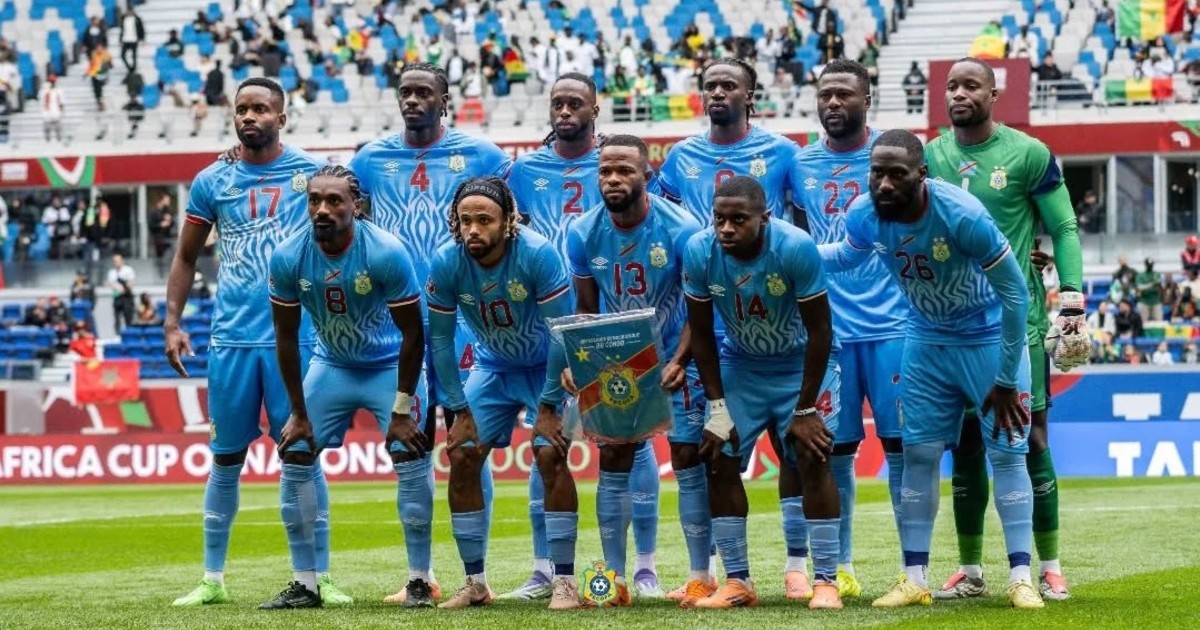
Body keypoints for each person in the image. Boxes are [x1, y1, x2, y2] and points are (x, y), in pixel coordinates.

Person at [821, 129, 1043, 610]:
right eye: (876, 173)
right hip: (924, 340)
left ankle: (1021, 578)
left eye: (896, 174)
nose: (883, 184)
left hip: (986, 341)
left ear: (921, 174)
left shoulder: (962, 215)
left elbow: (1015, 294)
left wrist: (1007, 378)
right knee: (917, 455)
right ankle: (914, 578)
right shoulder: (864, 213)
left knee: (1007, 454)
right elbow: (845, 257)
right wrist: (785, 248)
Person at [165, 78, 347, 607]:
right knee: (225, 458)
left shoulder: (312, 174)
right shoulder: (212, 180)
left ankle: (316, 576)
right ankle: (211, 579)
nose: (250, 117)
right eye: (242, 109)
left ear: (281, 118)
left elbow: (349, 221)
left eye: (261, 109)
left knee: (301, 454)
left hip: (298, 337)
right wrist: (172, 322)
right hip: (232, 339)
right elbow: (186, 256)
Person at [346, 62, 512, 606]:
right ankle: (420, 575)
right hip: (400, 327)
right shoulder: (370, 160)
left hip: (464, 324)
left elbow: (516, 216)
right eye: (405, 92)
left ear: (445, 100)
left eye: (423, 93)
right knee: (410, 449)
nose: (412, 100)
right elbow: (335, 201)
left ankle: (476, 576)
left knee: (468, 445)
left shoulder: (483, 155)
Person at [924, 58, 1087, 602]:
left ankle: (1050, 566)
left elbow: (1063, 225)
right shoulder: (931, 157)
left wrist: (1071, 300)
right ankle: (970, 570)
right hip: (952, 325)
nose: (959, 94)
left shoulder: (1029, 154)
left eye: (971, 85)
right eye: (952, 86)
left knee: (1031, 437)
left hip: (1018, 324)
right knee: (967, 445)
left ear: (994, 94)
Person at [502, 74, 665, 601]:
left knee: (634, 443)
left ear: (596, 108)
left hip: (614, 327)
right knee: (548, 441)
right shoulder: (522, 171)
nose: (565, 111)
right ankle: (545, 569)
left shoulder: (621, 160)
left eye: (576, 103)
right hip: (545, 331)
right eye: (558, 103)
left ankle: (644, 568)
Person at [655, 57, 812, 599]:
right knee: (700, 450)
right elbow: (671, 237)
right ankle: (706, 574)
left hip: (771, 323)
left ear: (751, 96)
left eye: (729, 85)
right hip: (706, 323)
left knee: (794, 451)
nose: (718, 93)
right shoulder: (680, 157)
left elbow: (802, 227)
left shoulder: (784, 152)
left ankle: (797, 566)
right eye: (710, 86)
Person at [264, 165, 426, 610]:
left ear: (356, 205)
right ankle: (305, 584)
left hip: (388, 367)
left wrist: (402, 409)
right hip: (331, 365)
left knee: (410, 453)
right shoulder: (288, 256)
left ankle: (419, 581)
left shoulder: (385, 252)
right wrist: (298, 413)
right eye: (314, 200)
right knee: (295, 451)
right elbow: (285, 338)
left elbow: (414, 334)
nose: (322, 209)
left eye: (334, 200)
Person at [682, 176, 842, 610]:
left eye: (739, 219)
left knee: (812, 455)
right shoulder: (699, 251)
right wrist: (717, 407)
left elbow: (821, 331)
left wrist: (805, 409)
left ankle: (826, 581)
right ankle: (738, 581)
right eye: (719, 219)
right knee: (718, 454)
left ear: (764, 218)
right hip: (743, 366)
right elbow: (701, 335)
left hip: (801, 364)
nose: (726, 228)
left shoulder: (795, 247)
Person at [560, 135, 706, 606]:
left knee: (687, 457)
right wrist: (579, 363)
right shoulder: (583, 232)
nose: (613, 179)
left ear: (647, 175)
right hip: (618, 363)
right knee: (614, 457)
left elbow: (699, 307)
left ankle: (700, 576)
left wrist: (680, 360)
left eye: (624, 170)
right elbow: (586, 308)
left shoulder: (681, 229)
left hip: (675, 358)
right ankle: (614, 581)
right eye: (605, 171)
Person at [426, 177, 577, 610]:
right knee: (461, 454)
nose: (473, 229)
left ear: (508, 220)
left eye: (484, 220)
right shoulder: (447, 261)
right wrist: (458, 410)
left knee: (549, 453)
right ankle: (475, 583)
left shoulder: (538, 254)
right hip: (493, 367)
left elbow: (559, 334)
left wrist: (549, 406)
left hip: (546, 367)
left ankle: (564, 581)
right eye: (465, 221)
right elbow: (440, 341)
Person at [791, 59, 908, 599]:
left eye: (844, 94)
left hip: (894, 326)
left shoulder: (894, 154)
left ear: (867, 99)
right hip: (829, 333)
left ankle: (913, 568)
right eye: (825, 95)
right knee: (832, 453)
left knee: (903, 448)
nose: (834, 103)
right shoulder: (799, 164)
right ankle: (839, 567)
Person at [106, 254, 136, 333]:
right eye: (114, 261)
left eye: (117, 261)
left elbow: (131, 282)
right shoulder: (112, 272)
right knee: (117, 317)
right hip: (117, 296)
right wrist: (118, 289)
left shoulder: (128, 270)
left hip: (127, 296)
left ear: (122, 261)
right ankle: (118, 333)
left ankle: (129, 332)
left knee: (128, 316)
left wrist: (124, 289)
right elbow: (111, 283)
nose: (116, 262)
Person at [1135, 258, 1163, 323]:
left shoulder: (1157, 274)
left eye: (1151, 265)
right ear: (1145, 265)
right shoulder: (1140, 275)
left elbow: (1159, 285)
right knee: (1143, 323)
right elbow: (1139, 287)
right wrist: (1151, 284)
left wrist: (1157, 284)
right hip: (1144, 302)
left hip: (1156, 301)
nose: (1150, 266)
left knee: (1159, 322)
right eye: (1148, 265)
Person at [40, 74, 65, 142]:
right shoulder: (44, 90)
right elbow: (42, 100)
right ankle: (47, 139)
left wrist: (62, 109)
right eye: (51, 82)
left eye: (53, 82)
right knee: (47, 125)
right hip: (47, 109)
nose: (52, 83)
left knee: (57, 125)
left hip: (55, 108)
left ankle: (59, 138)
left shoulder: (59, 90)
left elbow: (61, 100)